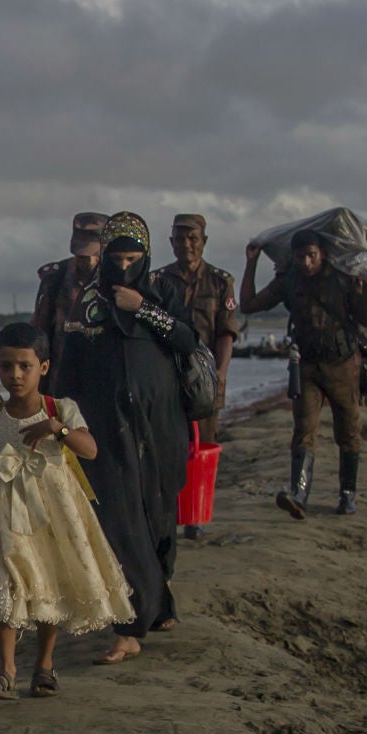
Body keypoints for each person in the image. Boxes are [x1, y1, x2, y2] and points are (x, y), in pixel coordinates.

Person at [0, 322, 132, 700]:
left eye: (24, 366)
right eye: (6, 366)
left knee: (51, 583)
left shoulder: (59, 408)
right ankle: (6, 670)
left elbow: (90, 449)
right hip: (10, 515)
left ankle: (44, 666)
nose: (14, 375)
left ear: (43, 367)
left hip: (57, 514)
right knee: (7, 585)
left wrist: (57, 429)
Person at [47, 211, 199, 662]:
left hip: (162, 422)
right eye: (118, 259)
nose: (126, 267)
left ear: (146, 257)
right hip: (108, 428)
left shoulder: (165, 291)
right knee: (120, 518)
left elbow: (188, 341)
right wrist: (60, 419)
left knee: (159, 510)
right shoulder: (89, 302)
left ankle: (160, 599)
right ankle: (129, 628)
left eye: (135, 259)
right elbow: (70, 363)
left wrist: (143, 309)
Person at [240, 228, 367, 517]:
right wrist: (251, 263)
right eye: (300, 257)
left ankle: (347, 495)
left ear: (322, 254)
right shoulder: (289, 281)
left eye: (311, 256)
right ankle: (299, 496)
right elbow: (249, 305)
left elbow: (365, 319)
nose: (306, 262)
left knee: (349, 431)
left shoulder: (342, 277)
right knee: (303, 430)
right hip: (307, 368)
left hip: (343, 364)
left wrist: (366, 284)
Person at [152, 213, 238, 540]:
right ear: (171, 242)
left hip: (204, 377)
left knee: (202, 441)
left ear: (204, 241)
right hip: (167, 375)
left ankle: (195, 516)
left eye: (193, 239)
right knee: (166, 441)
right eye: (179, 239)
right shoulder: (157, 280)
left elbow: (226, 333)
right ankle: (170, 509)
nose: (186, 245)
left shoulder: (219, 281)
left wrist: (220, 373)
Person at [31, 212, 108, 390]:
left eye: (94, 253)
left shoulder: (117, 278)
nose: (88, 260)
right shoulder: (56, 278)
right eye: (81, 254)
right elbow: (39, 334)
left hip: (103, 383)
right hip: (60, 382)